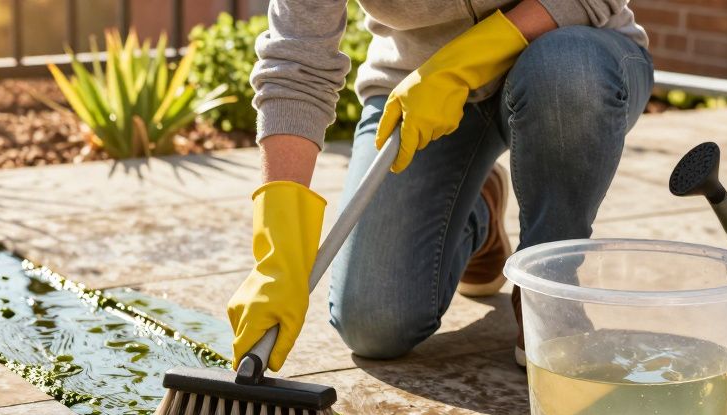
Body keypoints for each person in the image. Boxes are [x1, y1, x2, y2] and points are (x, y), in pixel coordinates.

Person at [226, 0, 653, 371]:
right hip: (416, 87)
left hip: (572, 62)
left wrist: (465, 62)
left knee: (566, 70)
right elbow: (298, 64)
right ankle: (478, 208)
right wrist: (277, 255)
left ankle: (548, 285)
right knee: (373, 324)